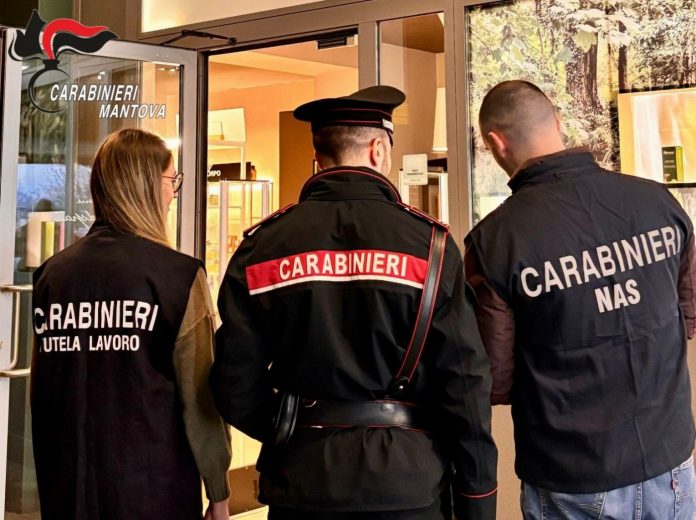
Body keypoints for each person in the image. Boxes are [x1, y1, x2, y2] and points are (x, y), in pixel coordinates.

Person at [210, 86, 497, 520]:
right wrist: (478, 498)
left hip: (302, 483)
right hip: (406, 483)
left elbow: (233, 381)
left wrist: (293, 429)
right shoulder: (431, 247)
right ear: (378, 149)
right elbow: (465, 382)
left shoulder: (263, 246)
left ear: (318, 156)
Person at [464, 79, 696, 518]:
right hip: (669, 461)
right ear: (557, 121)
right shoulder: (657, 201)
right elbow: (686, 314)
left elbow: (495, 375)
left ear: (495, 143)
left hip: (572, 472)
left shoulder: (495, 240)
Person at [31, 128, 231, 520]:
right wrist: (219, 492)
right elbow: (200, 399)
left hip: (67, 485)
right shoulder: (178, 277)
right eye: (172, 180)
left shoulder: (53, 275)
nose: (174, 193)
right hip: (153, 488)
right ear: (146, 185)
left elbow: (45, 392)